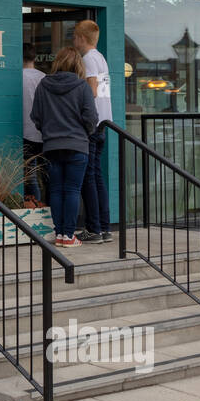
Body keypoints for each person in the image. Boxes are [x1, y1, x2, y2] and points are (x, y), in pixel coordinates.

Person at [30, 46, 98, 247]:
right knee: (72, 190)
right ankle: (69, 235)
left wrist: (48, 132)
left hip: (51, 146)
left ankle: (60, 234)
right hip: (77, 145)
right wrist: (86, 133)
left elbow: (36, 116)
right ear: (78, 64)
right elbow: (91, 118)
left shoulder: (43, 85)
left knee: (56, 190)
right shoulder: (82, 86)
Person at [72, 19, 112, 244]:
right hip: (104, 122)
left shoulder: (87, 59)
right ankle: (104, 228)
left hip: (92, 125)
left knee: (89, 176)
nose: (73, 41)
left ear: (81, 38)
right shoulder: (100, 57)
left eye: (74, 36)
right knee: (97, 176)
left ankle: (93, 229)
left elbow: (92, 91)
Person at [20, 43, 47, 204]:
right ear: (35, 58)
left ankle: (34, 207)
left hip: (25, 131)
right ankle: (48, 210)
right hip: (44, 133)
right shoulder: (44, 77)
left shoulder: (18, 78)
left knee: (29, 177)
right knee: (47, 176)